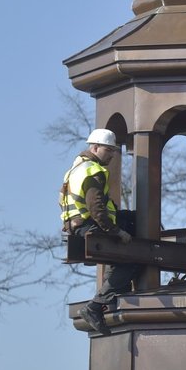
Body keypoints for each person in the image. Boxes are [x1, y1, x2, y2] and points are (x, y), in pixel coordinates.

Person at [61, 128, 138, 335]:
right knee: (131, 259)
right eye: (108, 150)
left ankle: (105, 298)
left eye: (113, 150)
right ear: (95, 148)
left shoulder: (76, 169)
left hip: (78, 226)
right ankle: (96, 306)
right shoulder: (93, 170)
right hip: (90, 226)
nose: (112, 155)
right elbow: (96, 208)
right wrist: (116, 232)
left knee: (127, 230)